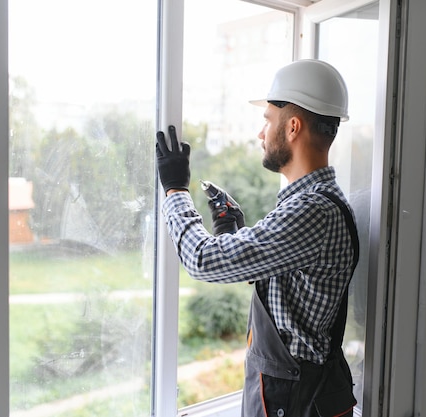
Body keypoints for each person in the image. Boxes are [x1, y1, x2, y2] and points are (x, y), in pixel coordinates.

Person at [156, 59, 359, 417]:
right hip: (293, 392)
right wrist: (236, 233)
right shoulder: (313, 203)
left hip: (293, 398)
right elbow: (291, 292)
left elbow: (202, 260)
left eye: (267, 120)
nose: (260, 134)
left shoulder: (312, 211)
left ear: (293, 127)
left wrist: (175, 191)